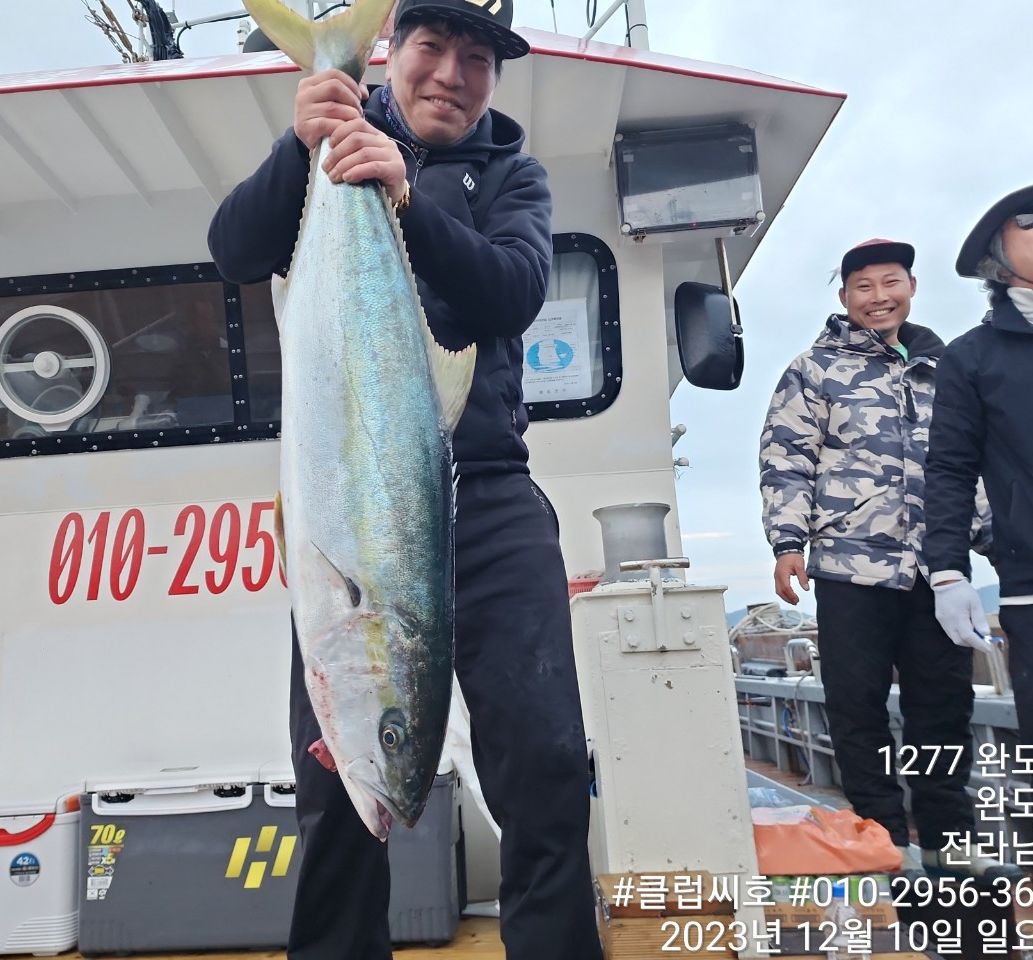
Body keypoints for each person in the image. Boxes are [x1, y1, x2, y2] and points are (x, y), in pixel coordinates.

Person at [206, 1, 604, 958]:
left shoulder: (512, 174)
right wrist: (303, 146)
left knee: (545, 761)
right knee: (335, 785)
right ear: (393, 51)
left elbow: (514, 291)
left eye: (479, 59)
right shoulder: (330, 138)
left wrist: (408, 200)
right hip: (348, 503)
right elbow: (235, 251)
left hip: (488, 493)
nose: (452, 75)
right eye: (433, 46)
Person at [759, 239, 1015, 880]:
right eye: (864, 286)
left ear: (912, 287)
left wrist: (1005, 548)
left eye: (891, 282)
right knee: (857, 707)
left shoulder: (949, 368)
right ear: (845, 296)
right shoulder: (813, 369)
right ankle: (882, 846)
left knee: (943, 709)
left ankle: (950, 850)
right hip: (851, 571)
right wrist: (788, 544)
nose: (879, 297)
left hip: (940, 572)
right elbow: (787, 460)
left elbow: (976, 465)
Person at [924, 182, 1033, 928]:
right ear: (1000, 256)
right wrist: (948, 572)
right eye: (1032, 218)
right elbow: (950, 470)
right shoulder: (973, 359)